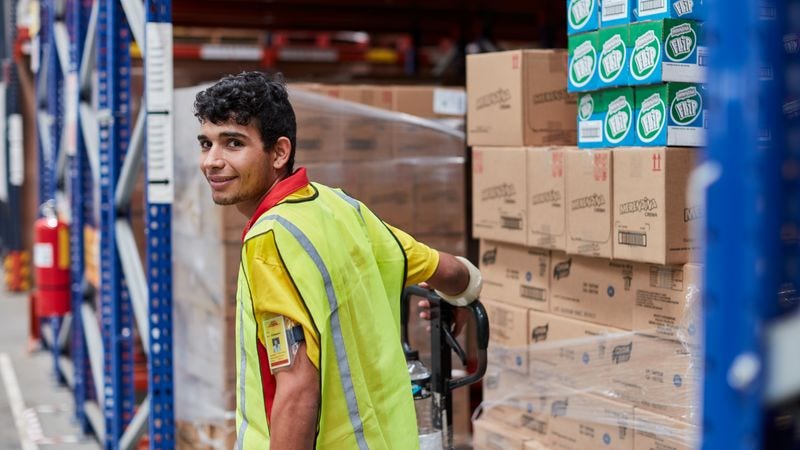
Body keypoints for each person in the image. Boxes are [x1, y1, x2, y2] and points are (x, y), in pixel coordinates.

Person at [194, 71, 482, 450]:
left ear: (279, 152)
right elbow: (448, 271)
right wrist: (463, 294)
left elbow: (297, 385)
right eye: (206, 143)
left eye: (233, 143)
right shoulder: (340, 208)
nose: (212, 161)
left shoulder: (269, 240)